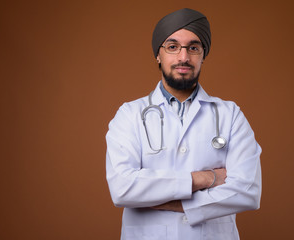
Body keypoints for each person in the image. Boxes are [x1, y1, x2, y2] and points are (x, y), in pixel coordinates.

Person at [105, 8, 262, 240]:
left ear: (203, 55)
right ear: (158, 55)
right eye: (172, 46)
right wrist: (205, 178)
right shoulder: (129, 114)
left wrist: (171, 201)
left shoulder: (230, 114)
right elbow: (122, 188)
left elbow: (248, 192)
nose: (183, 57)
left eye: (193, 48)